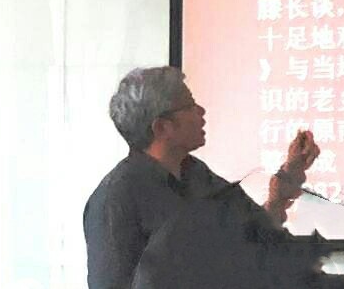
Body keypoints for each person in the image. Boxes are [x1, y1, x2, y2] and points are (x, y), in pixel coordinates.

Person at [83, 66, 323, 289]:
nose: (201, 111)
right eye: (190, 106)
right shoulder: (116, 198)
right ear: (162, 127)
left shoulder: (196, 174)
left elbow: (251, 236)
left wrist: (287, 180)